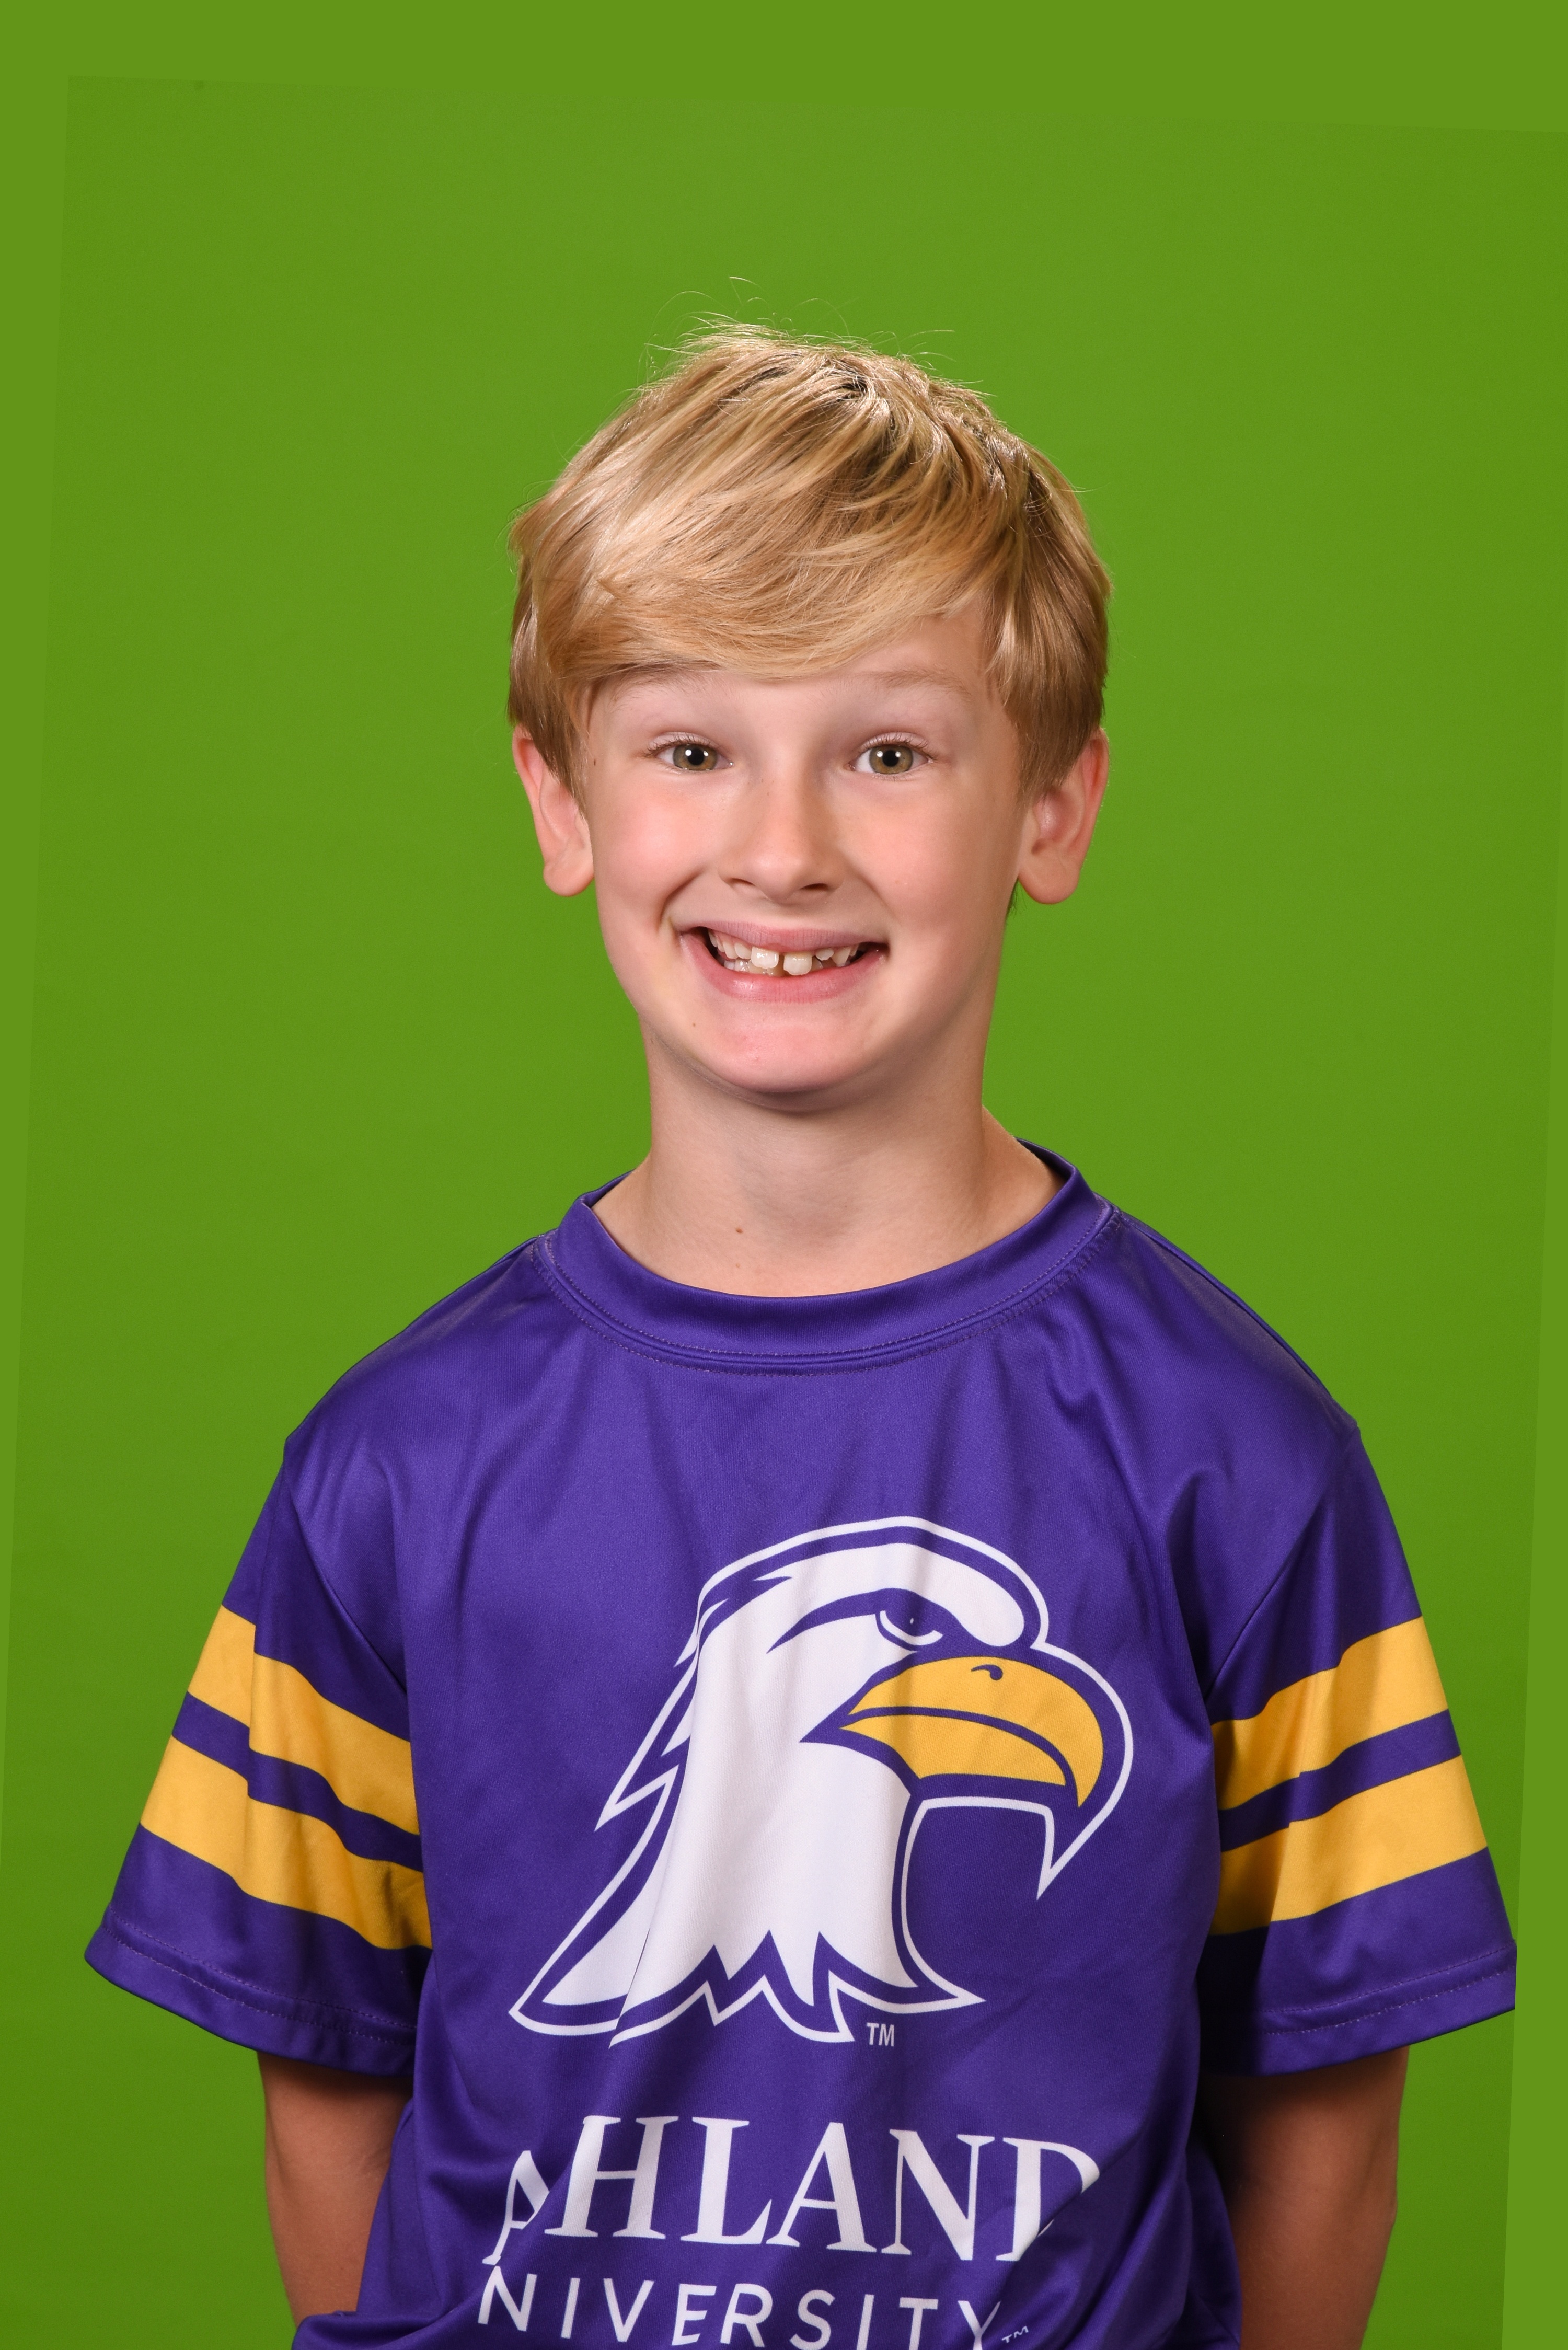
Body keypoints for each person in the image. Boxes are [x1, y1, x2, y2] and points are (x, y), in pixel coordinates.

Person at [87, 330, 1515, 2350]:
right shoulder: (392, 1464)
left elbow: (1328, 2125)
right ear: (560, 802)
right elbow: (327, 2093)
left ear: (1054, 809)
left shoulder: (1244, 1456)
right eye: (690, 749)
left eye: (889, 754)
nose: (782, 848)